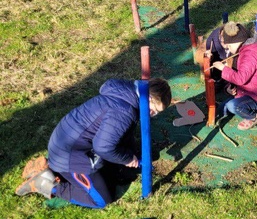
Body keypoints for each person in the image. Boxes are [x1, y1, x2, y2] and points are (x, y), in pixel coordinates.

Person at [15, 78, 172, 208]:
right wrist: (128, 159)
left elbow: (120, 135)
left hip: (69, 143)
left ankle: (52, 168)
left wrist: (130, 155)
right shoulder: (123, 112)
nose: (152, 115)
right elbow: (104, 147)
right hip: (70, 157)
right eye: (153, 110)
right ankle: (45, 183)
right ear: (148, 98)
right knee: (102, 199)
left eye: (157, 113)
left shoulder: (126, 93)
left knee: (117, 172)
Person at [213, 22, 257, 130]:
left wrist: (223, 69)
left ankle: (254, 116)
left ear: (237, 42)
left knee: (232, 106)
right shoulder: (241, 52)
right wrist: (230, 89)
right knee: (222, 110)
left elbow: (240, 78)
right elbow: (235, 78)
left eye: (229, 45)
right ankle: (247, 107)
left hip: (256, 96)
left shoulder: (249, 55)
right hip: (244, 92)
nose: (229, 49)